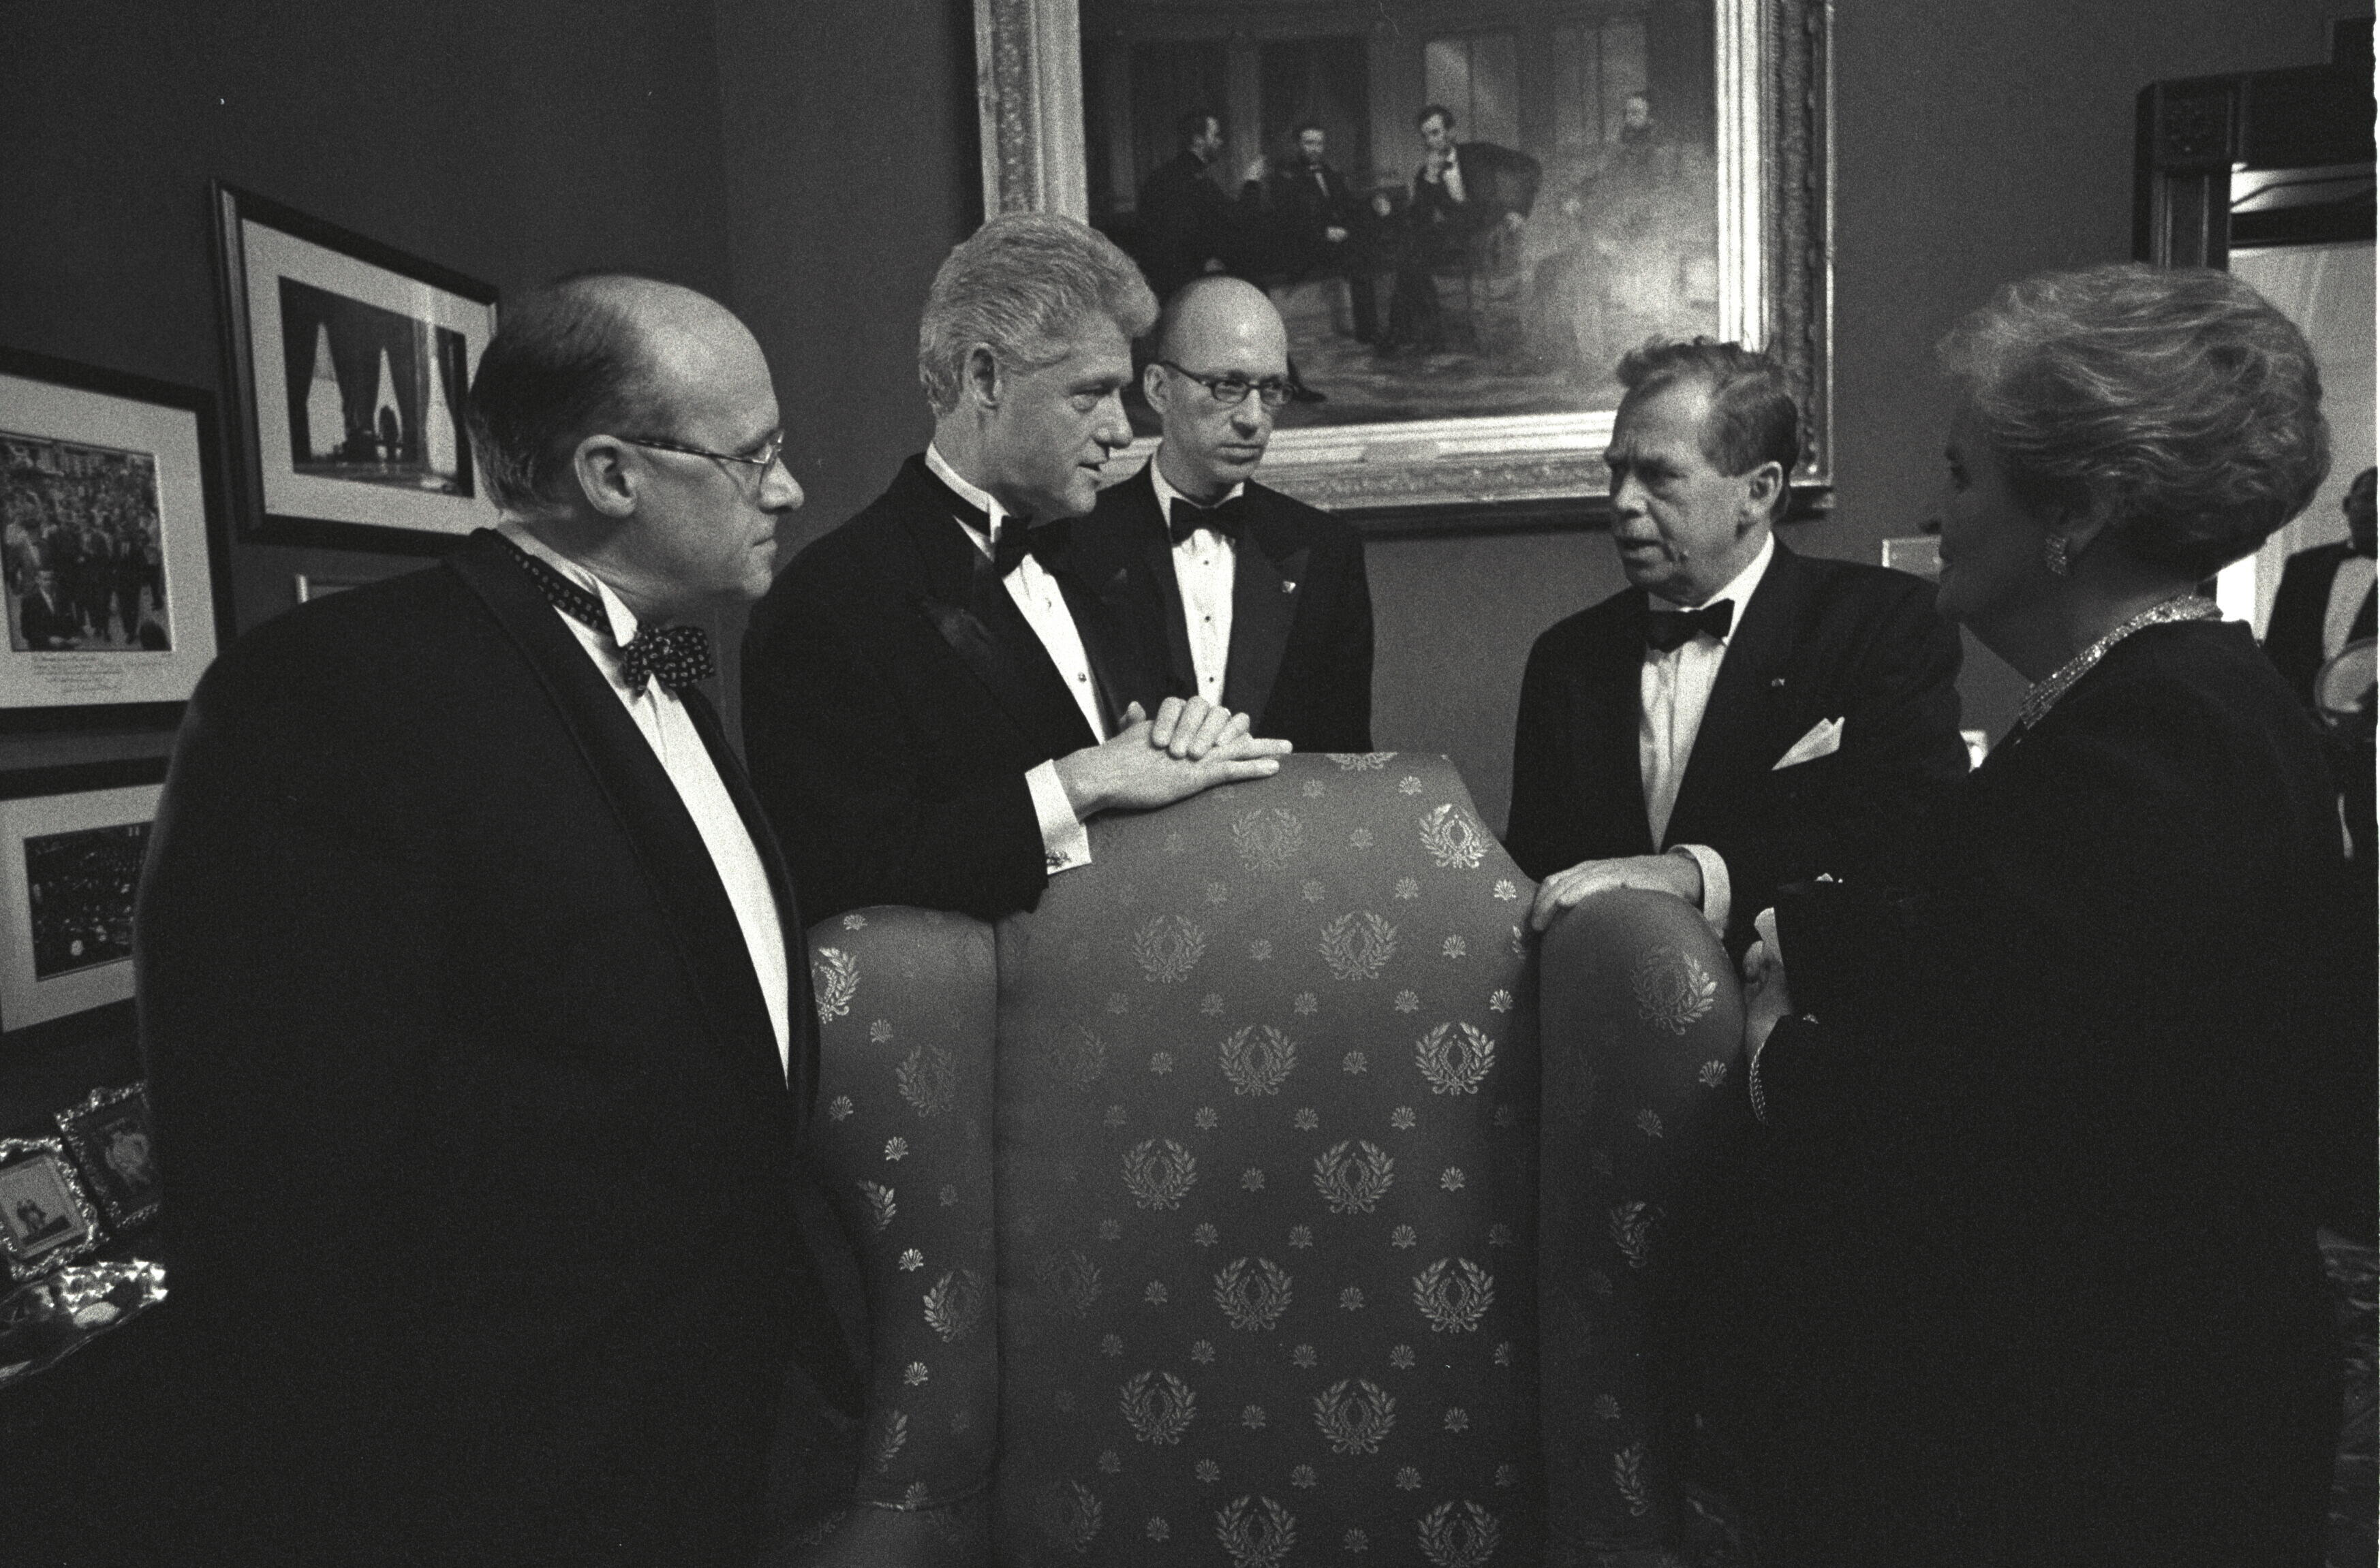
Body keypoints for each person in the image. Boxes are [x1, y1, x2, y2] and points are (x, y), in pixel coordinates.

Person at [138, 272, 850, 1565]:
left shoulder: (674, 652)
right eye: (756, 458)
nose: (789, 491)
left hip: (709, 1406)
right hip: (503, 1465)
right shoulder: (331, 690)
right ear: (611, 473)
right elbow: (274, 1166)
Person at [1725, 264, 2366, 1567]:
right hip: (2140, 1401)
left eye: (1960, 475)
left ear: (2070, 510)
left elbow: (2014, 1124)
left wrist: (1772, 1045)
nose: (1929, 509)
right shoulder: (2171, 699)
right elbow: (2038, 972)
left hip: (2110, 1445)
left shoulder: (2153, 732)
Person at [742, 213, 1290, 925]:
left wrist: (1179, 740)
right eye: (1089, 394)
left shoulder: (1105, 559)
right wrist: (1079, 782)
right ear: (984, 378)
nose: (1123, 430)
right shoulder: (829, 601)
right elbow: (839, 877)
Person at [1507, 339, 1967, 954]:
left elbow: (1909, 838)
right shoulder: (1566, 658)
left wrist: (1693, 873)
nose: (1621, 502)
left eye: (1658, 475)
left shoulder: (1882, 624)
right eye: (1616, 469)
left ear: (1758, 492)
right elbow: (1536, 870)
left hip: (1803, 1017)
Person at [1076, 276, 1374, 752]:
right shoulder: (1075, 543)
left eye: (1272, 388)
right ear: (1158, 388)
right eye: (1228, 386)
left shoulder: (1327, 551)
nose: (1254, 418)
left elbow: (1347, 763)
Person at [1380, 104, 1541, 352]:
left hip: (1489, 232)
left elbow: (1531, 166)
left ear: (1452, 132)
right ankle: (1416, 332)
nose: (1430, 141)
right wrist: (1431, 179)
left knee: (1413, 255)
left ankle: (1421, 333)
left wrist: (1520, 210)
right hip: (1456, 237)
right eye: (1425, 136)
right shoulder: (1426, 173)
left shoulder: (1480, 152)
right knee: (1410, 252)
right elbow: (1421, 220)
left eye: (1435, 133)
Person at [2266, 463, 2376, 704]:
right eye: (2369, 497)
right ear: (2347, 506)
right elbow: (2277, 648)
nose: (2377, 507)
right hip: (2297, 715)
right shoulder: (2302, 566)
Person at [1261, 123, 1380, 344]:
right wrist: (1324, 232)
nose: (1315, 149)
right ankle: (1369, 330)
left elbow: (1348, 204)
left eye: (1319, 143)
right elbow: (1289, 221)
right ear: (1298, 145)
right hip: (1306, 244)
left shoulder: (1330, 172)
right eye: (1309, 143)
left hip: (1333, 241)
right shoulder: (1285, 177)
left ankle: (1373, 329)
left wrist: (1373, 206)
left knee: (1366, 247)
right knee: (1359, 255)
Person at [1137, 108, 1264, 303]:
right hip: (1187, 285)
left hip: (1163, 281)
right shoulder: (1195, 180)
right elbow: (1236, 219)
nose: (1220, 142)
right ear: (1198, 140)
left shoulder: (1166, 174)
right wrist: (1252, 181)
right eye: (1216, 135)